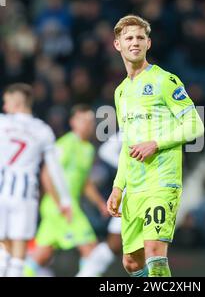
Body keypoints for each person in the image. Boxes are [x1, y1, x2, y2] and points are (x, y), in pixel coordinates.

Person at [106, 15, 204, 277]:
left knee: (154, 254)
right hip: (134, 188)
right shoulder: (121, 92)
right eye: (129, 38)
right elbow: (127, 142)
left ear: (148, 43)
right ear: (118, 45)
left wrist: (156, 144)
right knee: (132, 263)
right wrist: (118, 186)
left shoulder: (165, 80)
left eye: (140, 37)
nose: (134, 42)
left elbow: (196, 126)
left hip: (161, 182)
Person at [24, 104, 108, 277]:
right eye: (83, 120)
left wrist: (101, 204)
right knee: (91, 252)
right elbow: (47, 175)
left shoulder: (88, 148)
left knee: (42, 254)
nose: (88, 124)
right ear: (73, 122)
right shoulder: (66, 144)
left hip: (65, 206)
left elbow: (85, 183)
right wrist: (61, 203)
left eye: (90, 121)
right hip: (62, 206)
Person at [0, 83, 71, 277]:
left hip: (1, 192)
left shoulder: (2, 123)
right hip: (26, 195)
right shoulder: (43, 130)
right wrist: (65, 200)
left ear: (16, 102)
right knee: (19, 251)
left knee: (2, 247)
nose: (4, 107)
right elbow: (54, 169)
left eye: (6, 102)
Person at [76, 131, 122, 277]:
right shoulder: (133, 123)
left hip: (160, 194)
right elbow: (106, 150)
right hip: (132, 193)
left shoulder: (167, 125)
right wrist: (132, 167)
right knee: (115, 244)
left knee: (152, 247)